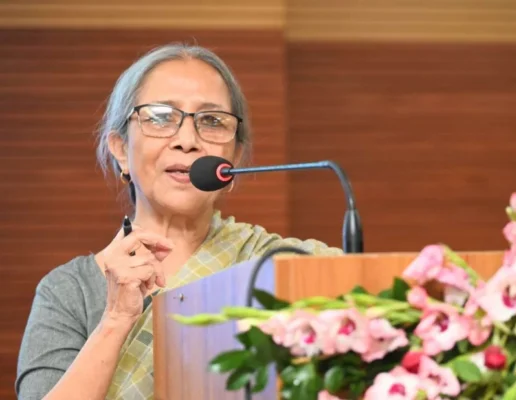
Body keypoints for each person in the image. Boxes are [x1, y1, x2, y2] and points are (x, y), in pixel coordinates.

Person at [16, 43, 341, 400]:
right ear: (121, 149)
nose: (187, 141)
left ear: (234, 157)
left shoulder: (278, 264)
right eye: (160, 117)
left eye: (212, 121)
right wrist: (116, 319)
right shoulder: (68, 291)